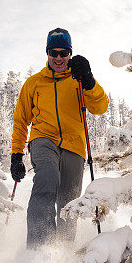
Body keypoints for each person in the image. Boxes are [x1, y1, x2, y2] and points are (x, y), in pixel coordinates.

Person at [11, 28, 109, 247]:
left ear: (70, 53)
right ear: (47, 53)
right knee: (46, 178)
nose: (58, 58)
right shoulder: (33, 83)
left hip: (74, 145)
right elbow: (20, 120)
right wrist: (16, 154)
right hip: (43, 139)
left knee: (69, 201)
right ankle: (39, 248)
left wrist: (90, 81)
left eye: (63, 53)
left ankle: (63, 252)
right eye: (53, 52)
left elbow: (100, 107)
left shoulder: (79, 79)